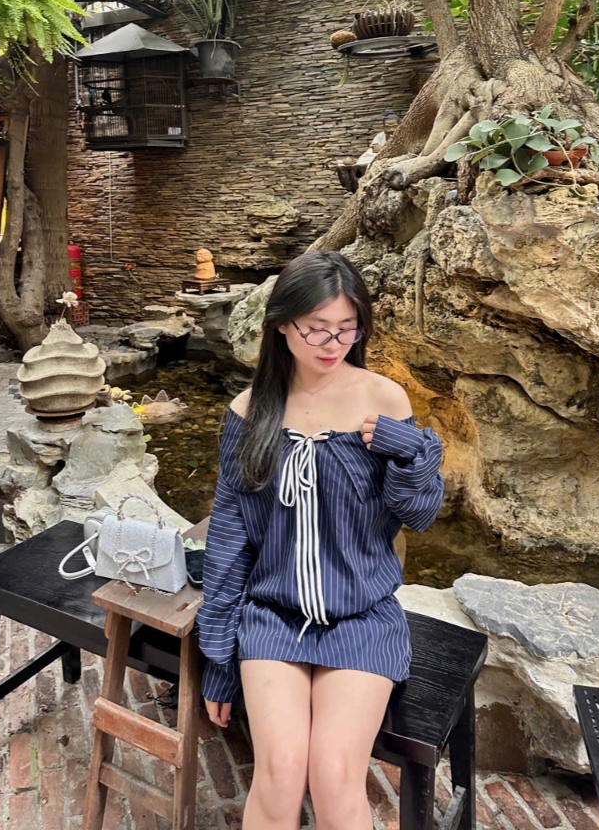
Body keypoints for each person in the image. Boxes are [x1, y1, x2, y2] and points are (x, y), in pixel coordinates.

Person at [196, 250, 444, 830]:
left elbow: (420, 514)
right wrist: (219, 659)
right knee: (281, 771)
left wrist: (409, 455)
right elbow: (231, 539)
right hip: (273, 616)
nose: (333, 343)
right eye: (317, 328)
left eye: (347, 328)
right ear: (282, 324)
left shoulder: (384, 400)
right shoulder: (249, 412)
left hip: (362, 618)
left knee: (334, 776)